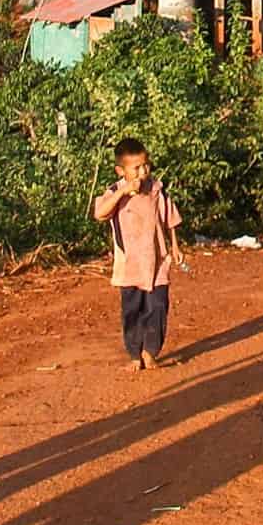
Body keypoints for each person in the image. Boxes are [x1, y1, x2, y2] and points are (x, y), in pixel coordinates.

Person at [90, 137, 184, 371]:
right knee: (132, 310)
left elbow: (169, 219)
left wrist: (175, 246)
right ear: (121, 170)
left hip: (157, 261)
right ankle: (134, 355)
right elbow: (100, 214)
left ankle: (150, 352)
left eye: (146, 165)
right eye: (136, 168)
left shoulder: (156, 189)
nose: (143, 172)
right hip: (129, 264)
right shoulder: (114, 191)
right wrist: (122, 191)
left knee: (157, 307)